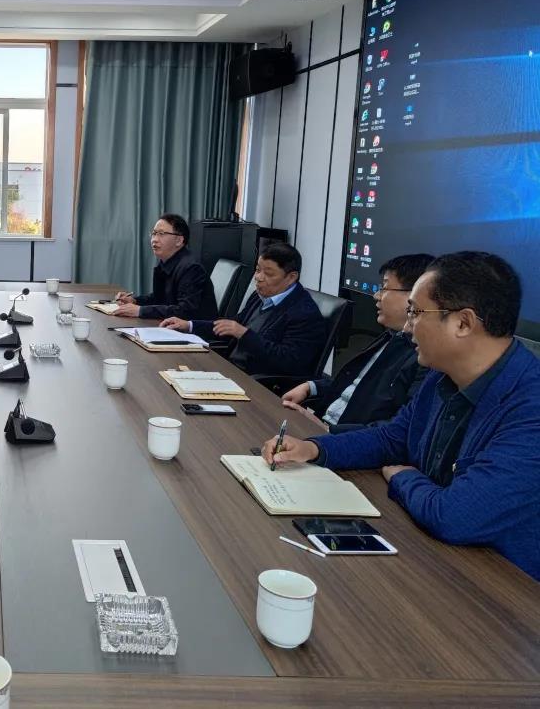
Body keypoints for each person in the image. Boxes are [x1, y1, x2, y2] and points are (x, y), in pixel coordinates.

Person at [263, 252, 540, 579]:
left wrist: (402, 477)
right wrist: (315, 448)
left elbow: (454, 516)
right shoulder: (442, 375)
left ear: (463, 323)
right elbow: (393, 438)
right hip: (430, 552)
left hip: (496, 585)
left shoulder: (529, 407)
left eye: (416, 313)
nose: (408, 328)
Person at [282, 253, 434, 433]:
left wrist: (329, 432)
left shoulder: (424, 358)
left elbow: (399, 429)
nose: (376, 295)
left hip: (344, 440)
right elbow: (357, 384)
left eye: (384, 288)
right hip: (323, 428)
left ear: (414, 295)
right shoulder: (391, 336)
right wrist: (311, 387)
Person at [162, 242, 325, 377]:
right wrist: (189, 325)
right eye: (257, 270)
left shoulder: (304, 313)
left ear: (291, 277)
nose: (258, 278)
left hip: (257, 384)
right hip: (230, 369)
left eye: (268, 274)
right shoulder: (260, 296)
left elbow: (289, 361)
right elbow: (230, 327)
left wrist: (244, 334)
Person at [113, 214, 217, 320]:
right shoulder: (167, 262)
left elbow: (185, 311)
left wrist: (140, 311)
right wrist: (135, 301)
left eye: (161, 234)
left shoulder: (192, 268)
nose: (154, 239)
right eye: (154, 233)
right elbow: (159, 298)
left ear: (179, 241)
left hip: (195, 329)